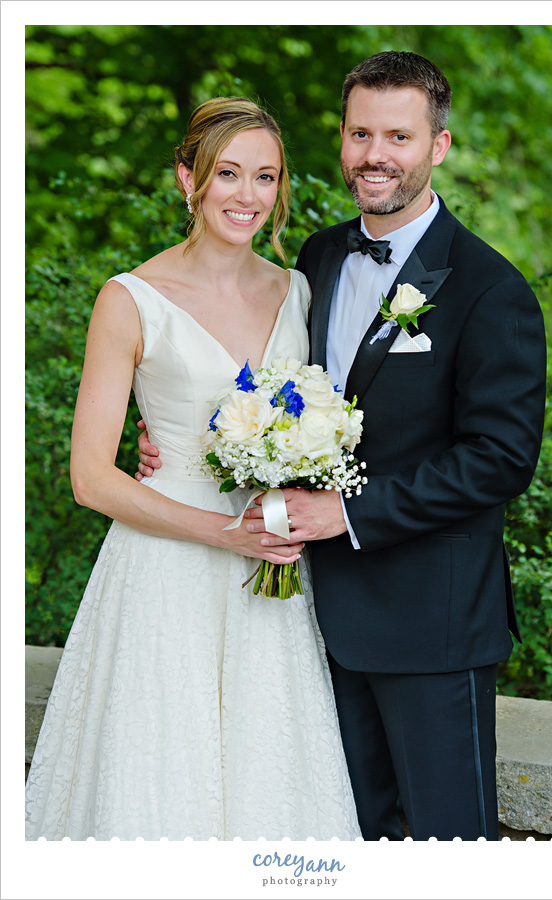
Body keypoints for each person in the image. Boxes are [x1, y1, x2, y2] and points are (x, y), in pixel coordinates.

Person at [139, 51, 548, 841]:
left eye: (399, 134)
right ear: (341, 138)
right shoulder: (316, 262)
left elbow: (499, 459)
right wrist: (175, 440)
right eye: (361, 133)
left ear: (441, 145)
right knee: (339, 844)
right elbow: (256, 384)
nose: (375, 155)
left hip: (432, 626)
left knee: (446, 849)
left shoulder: (490, 289)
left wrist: (346, 513)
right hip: (310, 624)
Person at [25, 97, 361, 841]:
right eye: (229, 174)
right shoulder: (130, 300)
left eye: (266, 177)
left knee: (268, 785)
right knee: (159, 782)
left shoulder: (296, 291)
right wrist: (222, 531)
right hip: (164, 573)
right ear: (189, 179)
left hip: (268, 583)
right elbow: (91, 479)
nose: (248, 196)